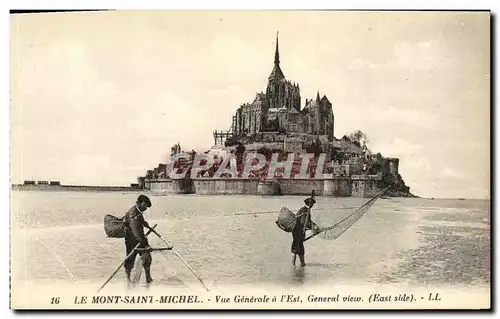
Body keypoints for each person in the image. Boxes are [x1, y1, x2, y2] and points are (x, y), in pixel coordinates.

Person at [123, 194, 156, 284]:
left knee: (147, 257)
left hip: (140, 237)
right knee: (130, 260)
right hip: (131, 240)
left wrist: (145, 223)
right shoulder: (133, 214)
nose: (145, 208)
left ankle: (148, 278)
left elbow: (140, 220)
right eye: (144, 205)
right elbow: (136, 231)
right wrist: (146, 245)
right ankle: (128, 279)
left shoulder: (137, 211)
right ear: (138, 203)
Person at [291, 197, 321, 267]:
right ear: (310, 204)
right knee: (297, 248)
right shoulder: (306, 211)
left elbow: (307, 222)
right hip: (299, 232)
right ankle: (297, 265)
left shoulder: (303, 209)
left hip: (296, 231)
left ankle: (298, 265)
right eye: (313, 204)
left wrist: (314, 226)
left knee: (297, 247)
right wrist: (314, 227)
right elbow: (305, 222)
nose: (313, 205)